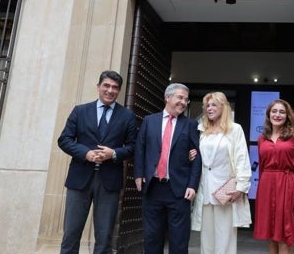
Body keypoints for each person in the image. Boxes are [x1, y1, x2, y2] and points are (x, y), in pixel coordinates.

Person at [57, 70, 137, 254]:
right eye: (106, 86)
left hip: (109, 182)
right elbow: (64, 140)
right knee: (70, 235)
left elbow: (133, 147)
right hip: (79, 179)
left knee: (104, 238)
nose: (110, 90)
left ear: (119, 91)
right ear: (98, 87)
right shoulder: (80, 111)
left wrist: (113, 153)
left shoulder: (127, 116)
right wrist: (85, 153)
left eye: (115, 87)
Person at [133, 83, 202, 254]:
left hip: (178, 190)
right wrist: (138, 174)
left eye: (186, 99)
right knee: (152, 238)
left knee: (179, 241)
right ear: (168, 97)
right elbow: (140, 149)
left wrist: (192, 185)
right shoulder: (150, 121)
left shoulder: (190, 125)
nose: (183, 102)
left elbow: (197, 157)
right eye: (180, 97)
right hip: (153, 188)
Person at [191, 92, 252, 254]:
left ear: (223, 107)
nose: (209, 109)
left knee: (225, 239)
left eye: (214, 105)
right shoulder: (201, 130)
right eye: (207, 106)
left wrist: (241, 187)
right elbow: (198, 156)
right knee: (207, 240)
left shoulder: (234, 129)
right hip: (205, 190)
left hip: (226, 191)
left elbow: (242, 158)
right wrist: (192, 155)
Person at [253, 99, 294, 254]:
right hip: (266, 187)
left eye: (282, 112)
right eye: (274, 111)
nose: (277, 115)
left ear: (287, 115)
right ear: (269, 114)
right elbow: (261, 167)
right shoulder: (261, 139)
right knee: (270, 235)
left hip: (287, 185)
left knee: (284, 234)